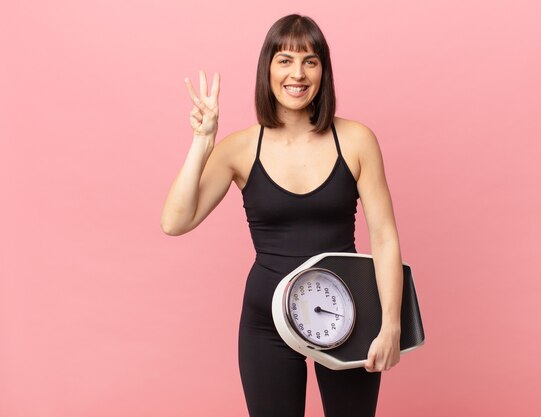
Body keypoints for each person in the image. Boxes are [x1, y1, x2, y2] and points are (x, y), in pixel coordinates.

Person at [161, 14, 404, 417]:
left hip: (349, 310)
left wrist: (391, 323)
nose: (298, 73)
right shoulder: (240, 148)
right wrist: (202, 142)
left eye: (310, 61)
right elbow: (174, 222)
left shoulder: (358, 140)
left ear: (323, 71)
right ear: (268, 69)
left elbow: (385, 236)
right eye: (285, 60)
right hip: (266, 322)